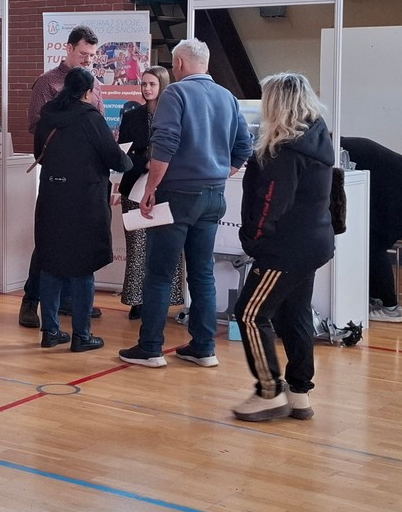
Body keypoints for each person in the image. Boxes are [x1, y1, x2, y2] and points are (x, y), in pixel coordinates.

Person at [119, 38, 252, 369]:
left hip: (176, 196)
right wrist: (221, 172)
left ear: (178, 64)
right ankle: (204, 347)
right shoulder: (227, 97)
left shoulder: (175, 94)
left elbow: (164, 144)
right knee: (203, 273)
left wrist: (151, 188)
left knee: (159, 274)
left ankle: (151, 348)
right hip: (213, 195)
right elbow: (245, 146)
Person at [231, 73, 335, 422]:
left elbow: (270, 204)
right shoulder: (315, 137)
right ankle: (299, 393)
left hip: (286, 248)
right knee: (294, 313)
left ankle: (269, 392)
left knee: (250, 313)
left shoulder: (285, 150)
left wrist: (254, 240)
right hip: (313, 242)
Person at [35, 68, 132, 351]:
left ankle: (50, 331)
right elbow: (116, 158)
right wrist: (129, 161)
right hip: (85, 202)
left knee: (50, 265)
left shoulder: (47, 115)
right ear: (88, 92)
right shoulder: (91, 118)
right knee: (83, 267)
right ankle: (81, 335)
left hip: (52, 198)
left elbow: (38, 154)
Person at [20, 24, 105, 329]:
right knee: (49, 240)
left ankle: (70, 300)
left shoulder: (94, 84)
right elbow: (34, 123)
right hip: (57, 174)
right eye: (83, 53)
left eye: (92, 55)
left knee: (78, 239)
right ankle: (31, 301)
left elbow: (99, 124)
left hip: (86, 176)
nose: (88, 59)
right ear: (68, 49)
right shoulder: (47, 82)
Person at [116, 67, 184, 319]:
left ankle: (165, 299)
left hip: (167, 186)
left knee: (166, 247)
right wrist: (145, 162)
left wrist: (158, 164)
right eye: (143, 84)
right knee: (137, 246)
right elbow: (123, 152)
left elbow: (181, 149)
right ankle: (137, 300)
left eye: (152, 84)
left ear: (162, 85)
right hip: (135, 185)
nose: (146, 89)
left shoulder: (176, 113)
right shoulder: (132, 116)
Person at [340, 136, 402, 324]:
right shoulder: (339, 144)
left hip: (401, 186)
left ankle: (391, 308)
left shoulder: (330, 150)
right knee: (368, 242)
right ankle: (375, 298)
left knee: (374, 245)